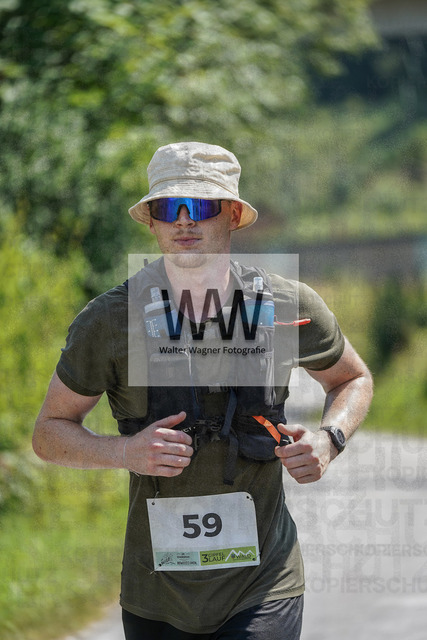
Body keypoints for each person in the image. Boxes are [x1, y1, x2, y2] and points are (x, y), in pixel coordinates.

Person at [33, 141, 373, 640]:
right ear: (151, 222)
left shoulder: (285, 304)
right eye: (169, 207)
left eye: (202, 204)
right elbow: (48, 432)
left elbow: (353, 378)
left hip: (264, 585)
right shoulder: (108, 321)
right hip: (157, 595)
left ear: (233, 215)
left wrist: (330, 439)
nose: (184, 220)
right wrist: (125, 451)